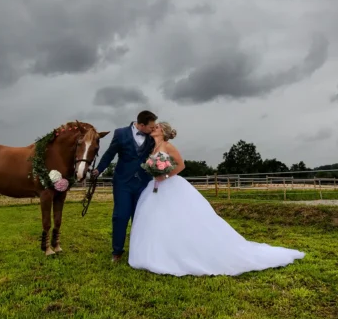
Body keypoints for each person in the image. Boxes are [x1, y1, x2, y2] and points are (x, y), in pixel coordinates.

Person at [128, 122, 305, 276]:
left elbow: (181, 165)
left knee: (180, 218)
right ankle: (159, 253)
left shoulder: (167, 145)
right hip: (155, 188)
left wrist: (164, 177)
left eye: (157, 127)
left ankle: (183, 252)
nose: (154, 128)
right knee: (157, 219)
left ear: (163, 132)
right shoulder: (152, 148)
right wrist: (154, 174)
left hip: (170, 185)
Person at [92, 111, 157, 262]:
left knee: (140, 218)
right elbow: (109, 154)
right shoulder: (120, 134)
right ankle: (117, 252)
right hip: (123, 183)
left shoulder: (153, 137)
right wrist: (98, 170)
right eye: (151, 127)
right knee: (120, 216)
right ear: (141, 125)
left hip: (144, 183)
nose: (153, 130)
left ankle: (138, 250)